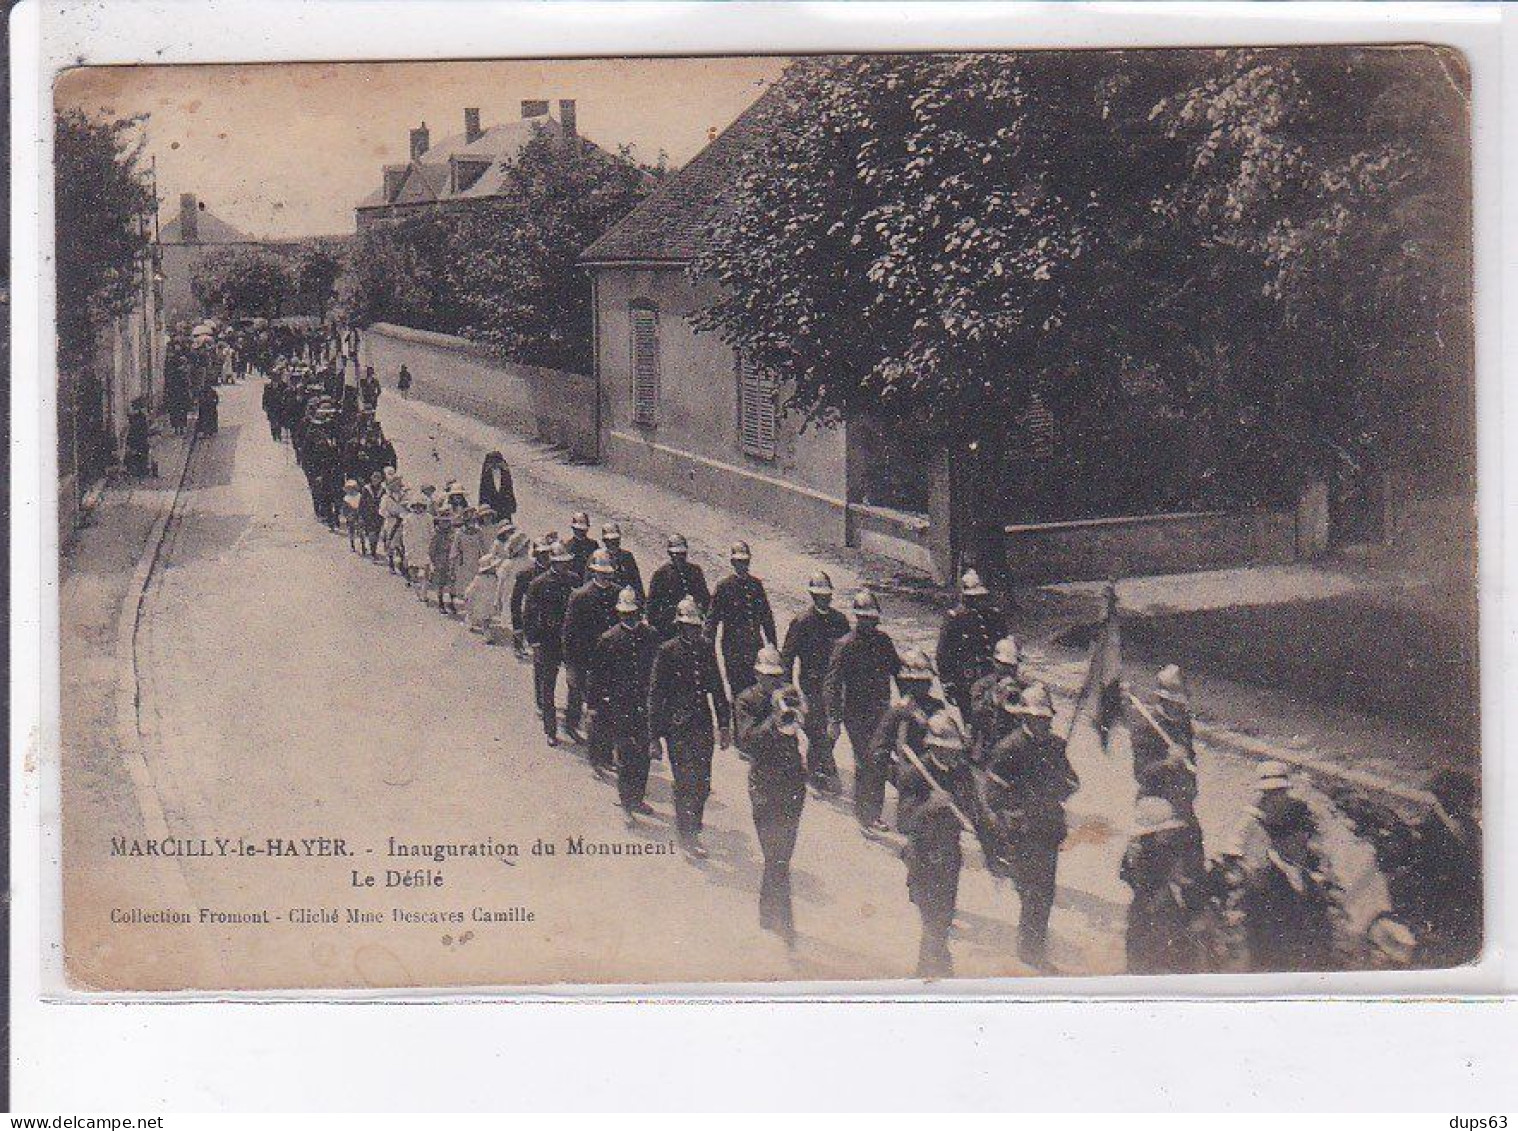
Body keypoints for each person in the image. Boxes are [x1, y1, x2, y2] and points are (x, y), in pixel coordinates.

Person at [977, 683, 1079, 967]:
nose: (1043, 724)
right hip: (1022, 832)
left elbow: (1072, 782)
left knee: (1043, 893)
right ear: (1025, 718)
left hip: (1048, 829)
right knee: (1033, 892)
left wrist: (1060, 784)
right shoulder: (1008, 748)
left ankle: (1032, 948)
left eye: (1046, 719)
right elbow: (993, 795)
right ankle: (1030, 950)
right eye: (1037, 719)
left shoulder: (1056, 746)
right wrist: (1023, 804)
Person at [648, 596, 732, 859]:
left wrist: (725, 724)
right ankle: (688, 834)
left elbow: (717, 688)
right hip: (677, 727)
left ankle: (693, 826)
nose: (693, 631)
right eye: (688, 627)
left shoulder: (706, 647)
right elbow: (656, 695)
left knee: (703, 784)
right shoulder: (667, 651)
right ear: (679, 626)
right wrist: (654, 737)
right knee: (685, 782)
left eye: (696, 627)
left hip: (702, 725)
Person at [736, 646, 809, 946]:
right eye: (766, 677)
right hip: (764, 786)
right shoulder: (746, 700)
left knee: (782, 855)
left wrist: (798, 710)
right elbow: (747, 741)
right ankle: (784, 921)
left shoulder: (789, 694)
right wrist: (774, 720)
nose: (772, 683)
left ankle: (768, 913)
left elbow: (806, 725)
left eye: (776, 676)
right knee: (775, 855)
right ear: (756, 675)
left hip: (792, 785)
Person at [896, 710, 975, 978]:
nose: (952, 756)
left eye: (955, 750)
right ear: (933, 746)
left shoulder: (961, 772)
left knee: (941, 924)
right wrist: (930, 805)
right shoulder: (914, 775)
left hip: (950, 858)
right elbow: (904, 823)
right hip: (922, 859)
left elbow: (972, 806)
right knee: (933, 925)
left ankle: (929, 976)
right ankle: (937, 978)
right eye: (946, 750)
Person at [1236, 797, 1347, 972]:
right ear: (1283, 840)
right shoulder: (1263, 885)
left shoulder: (1307, 880)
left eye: (1308, 837)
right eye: (1301, 837)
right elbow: (1260, 950)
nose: (1308, 845)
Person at [824, 589, 903, 831]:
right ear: (857, 618)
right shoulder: (845, 645)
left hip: (881, 710)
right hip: (855, 713)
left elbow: (898, 672)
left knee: (879, 760)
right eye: (864, 618)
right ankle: (864, 815)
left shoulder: (884, 642)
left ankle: (874, 813)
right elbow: (832, 684)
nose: (869, 623)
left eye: (872, 618)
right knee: (865, 760)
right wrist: (834, 719)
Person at [587, 587, 660, 822]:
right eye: (625, 613)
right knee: (626, 755)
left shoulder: (650, 635)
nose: (629, 617)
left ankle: (637, 798)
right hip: (619, 706)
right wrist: (594, 705)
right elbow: (597, 676)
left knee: (643, 755)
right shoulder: (608, 639)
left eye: (633, 613)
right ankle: (627, 803)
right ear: (619, 613)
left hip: (645, 705)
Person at [1121, 796, 1216, 975]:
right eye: (1165, 831)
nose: (1170, 834)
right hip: (1156, 913)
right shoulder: (1149, 853)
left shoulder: (1144, 850)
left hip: (1150, 911)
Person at [780, 571, 851, 794]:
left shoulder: (840, 621)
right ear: (812, 595)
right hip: (810, 685)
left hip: (835, 684)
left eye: (827, 595)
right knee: (816, 729)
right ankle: (815, 773)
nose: (824, 599)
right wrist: (788, 687)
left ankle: (821, 765)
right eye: (819, 595)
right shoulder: (801, 622)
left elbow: (850, 651)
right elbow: (788, 657)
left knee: (832, 729)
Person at [1130, 664, 1204, 870]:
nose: (1178, 708)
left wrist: (1190, 786)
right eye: (1173, 703)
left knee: (1193, 865)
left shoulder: (1183, 725)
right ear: (1162, 699)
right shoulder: (1146, 725)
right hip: (1154, 803)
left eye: (1181, 704)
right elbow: (1141, 773)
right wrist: (1167, 764)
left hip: (1181, 802)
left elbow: (1191, 762)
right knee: (1153, 871)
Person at [562, 548, 623, 753]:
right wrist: (570, 663)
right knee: (577, 692)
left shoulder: (617, 594)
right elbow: (569, 632)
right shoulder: (580, 595)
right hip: (583, 656)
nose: (604, 577)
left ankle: (602, 743)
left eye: (608, 573)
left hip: (609, 657)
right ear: (594, 572)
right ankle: (571, 725)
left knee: (604, 700)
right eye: (600, 572)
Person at [705, 541, 778, 704]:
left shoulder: (756, 585)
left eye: (745, 561)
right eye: (739, 562)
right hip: (734, 651)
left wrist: (772, 644)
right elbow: (712, 619)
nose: (742, 566)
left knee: (758, 691)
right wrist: (706, 646)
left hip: (755, 648)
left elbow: (767, 617)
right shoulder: (724, 587)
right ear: (732, 563)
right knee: (738, 694)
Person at [524, 541, 578, 745]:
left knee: (574, 685)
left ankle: (571, 725)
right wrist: (534, 641)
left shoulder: (574, 580)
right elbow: (529, 614)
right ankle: (550, 730)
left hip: (570, 640)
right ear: (552, 562)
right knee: (549, 687)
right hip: (548, 640)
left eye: (566, 562)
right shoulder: (539, 583)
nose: (564, 566)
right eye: (559, 562)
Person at [935, 568, 1006, 717]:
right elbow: (943, 653)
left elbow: (1004, 644)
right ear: (965, 598)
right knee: (971, 719)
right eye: (973, 598)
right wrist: (947, 681)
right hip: (965, 678)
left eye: (981, 597)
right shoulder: (955, 619)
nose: (978, 602)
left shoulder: (994, 616)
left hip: (992, 675)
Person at [967, 635, 1029, 763]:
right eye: (1001, 664)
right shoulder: (981, 685)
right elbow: (976, 714)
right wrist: (993, 697)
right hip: (987, 741)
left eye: (1010, 666)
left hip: (1014, 739)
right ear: (994, 662)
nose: (1005, 669)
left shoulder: (1024, 686)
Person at [647, 533, 711, 639]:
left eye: (683, 554)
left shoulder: (695, 571)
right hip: (669, 625)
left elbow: (704, 597)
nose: (680, 557)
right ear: (670, 554)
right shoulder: (661, 574)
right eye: (676, 554)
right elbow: (652, 604)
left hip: (692, 623)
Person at [511, 537, 555, 661]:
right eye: (542, 553)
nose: (545, 557)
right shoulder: (526, 574)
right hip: (531, 612)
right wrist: (517, 628)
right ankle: (520, 646)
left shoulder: (554, 573)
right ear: (536, 554)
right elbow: (516, 602)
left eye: (547, 553)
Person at [600, 523, 643, 601]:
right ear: (604, 541)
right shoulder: (597, 557)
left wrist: (640, 600)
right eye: (609, 541)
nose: (613, 544)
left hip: (624, 600)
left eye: (615, 540)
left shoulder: (627, 556)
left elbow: (636, 581)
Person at [477, 451, 517, 522]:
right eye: (492, 461)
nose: (494, 463)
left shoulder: (505, 474)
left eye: (497, 461)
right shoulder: (486, 476)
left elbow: (510, 490)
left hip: (504, 508)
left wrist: (512, 504)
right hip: (491, 508)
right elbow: (483, 492)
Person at [564, 511, 599, 584]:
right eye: (577, 529)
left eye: (582, 530)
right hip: (572, 582)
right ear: (573, 528)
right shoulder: (567, 546)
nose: (580, 532)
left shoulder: (593, 544)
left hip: (589, 582)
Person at [123, 398, 154, 477]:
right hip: (139, 438)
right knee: (140, 453)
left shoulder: (137, 417)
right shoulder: (140, 416)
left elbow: (133, 427)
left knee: (139, 453)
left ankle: (141, 469)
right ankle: (141, 469)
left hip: (138, 438)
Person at [359, 471, 385, 558]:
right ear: (371, 478)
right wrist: (361, 514)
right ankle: (371, 549)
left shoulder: (383, 490)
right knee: (370, 532)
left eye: (378, 478)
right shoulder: (366, 489)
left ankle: (373, 549)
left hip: (378, 515)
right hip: (368, 514)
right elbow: (362, 502)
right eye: (374, 477)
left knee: (376, 533)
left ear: (381, 480)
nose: (376, 480)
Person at [341, 478, 364, 552]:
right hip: (350, 516)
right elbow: (344, 509)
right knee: (351, 531)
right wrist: (347, 515)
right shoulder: (346, 498)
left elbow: (362, 506)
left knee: (361, 531)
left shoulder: (359, 496)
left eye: (352, 488)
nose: (350, 490)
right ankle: (352, 545)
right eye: (348, 488)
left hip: (359, 515)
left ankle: (363, 545)